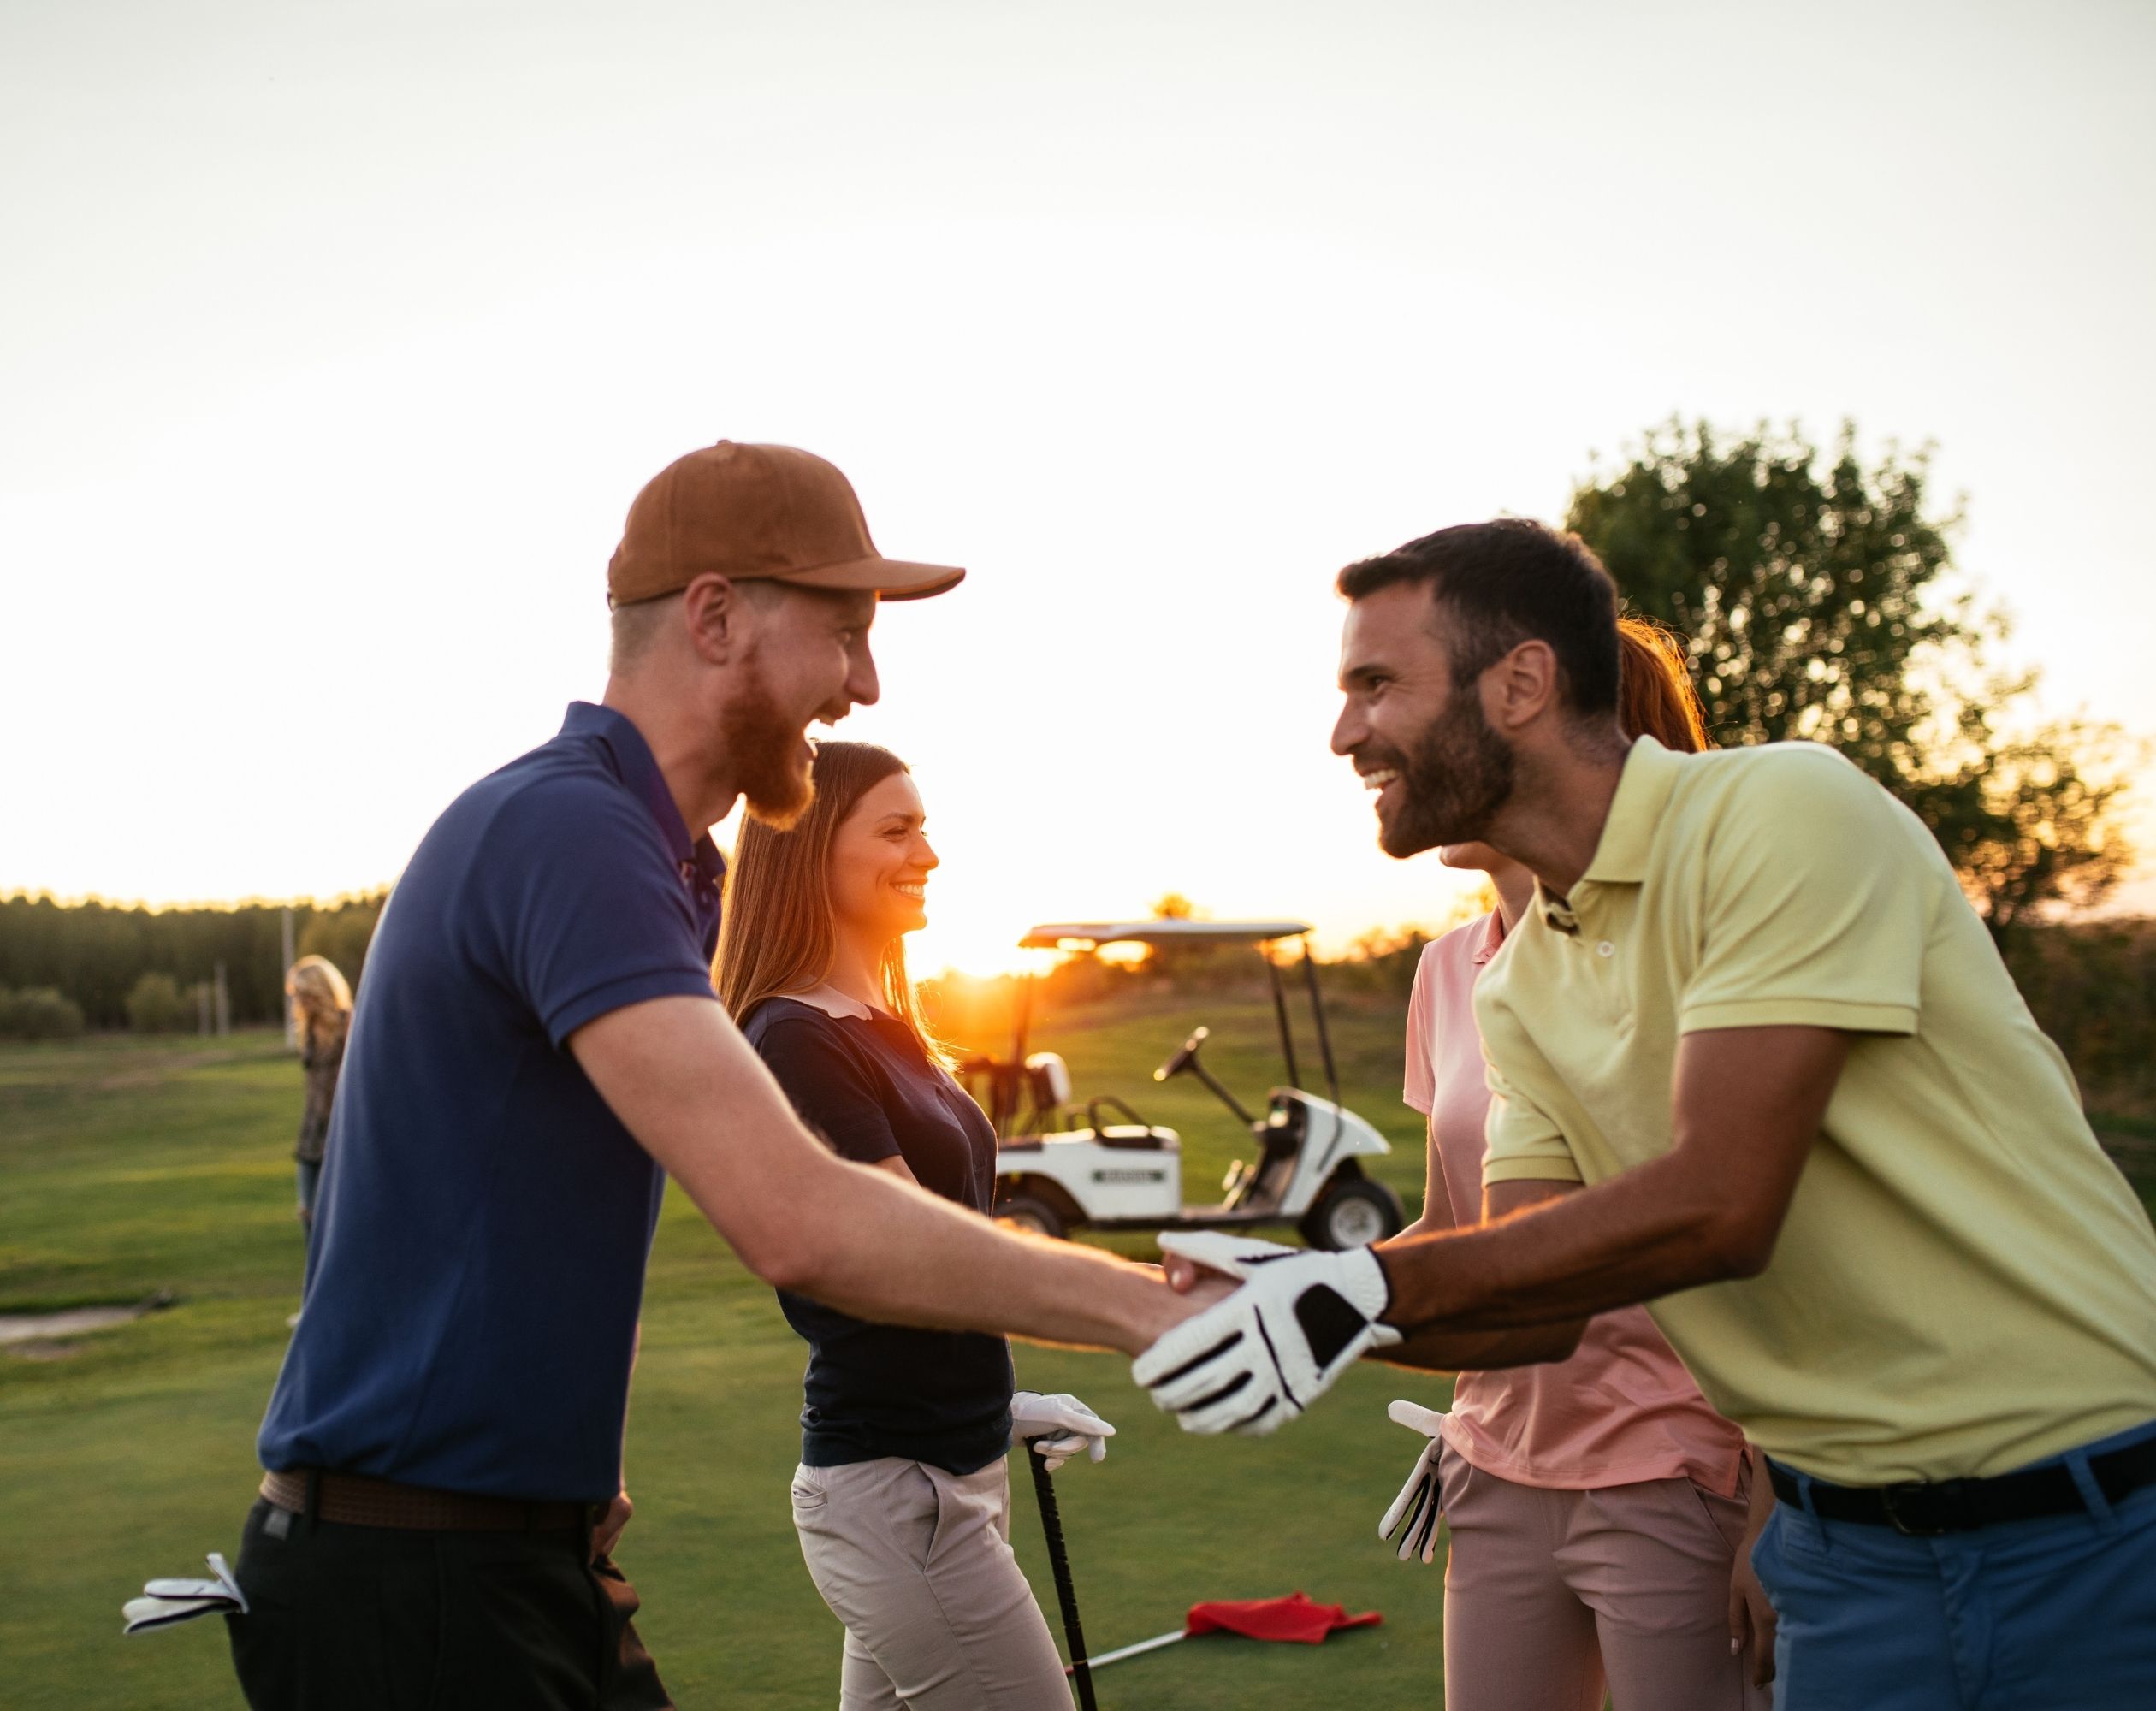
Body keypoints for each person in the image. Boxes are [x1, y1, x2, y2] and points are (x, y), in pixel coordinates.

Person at [229, 441, 1212, 1711]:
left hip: (505, 1553)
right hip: (411, 1586)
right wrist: (1150, 1309)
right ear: (713, 616)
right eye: (843, 633)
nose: (864, 682)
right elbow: (799, 1218)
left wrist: (567, 1472)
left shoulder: (651, 858)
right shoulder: (570, 831)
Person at [1134, 518, 2156, 1709]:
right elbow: (1529, 1302)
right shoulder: (1516, 985)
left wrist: (1359, 1294)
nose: (1344, 732)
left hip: (2092, 1520)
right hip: (1847, 1559)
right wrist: (1291, 1289)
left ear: (1520, 682)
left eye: (1376, 685)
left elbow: (1722, 1205)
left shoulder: (1780, 809)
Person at [1389, 618, 1769, 1711]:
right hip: (1495, 1461)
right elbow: (1453, 1229)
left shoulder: (1694, 958)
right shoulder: (1446, 972)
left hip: (1672, 1466)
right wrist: (1287, 1292)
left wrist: (1773, 1502)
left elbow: (1761, 1243)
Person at [714, 739, 1117, 1711]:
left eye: (925, 828)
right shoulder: (795, 1037)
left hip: (945, 1475)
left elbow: (937, 1271)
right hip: (902, 1498)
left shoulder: (885, 1024)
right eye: (896, 829)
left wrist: (999, 1401)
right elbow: (912, 1260)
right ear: (810, 851)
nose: (927, 853)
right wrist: (1139, 1304)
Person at [282, 954, 352, 1233]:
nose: (299, 1001)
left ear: (320, 992)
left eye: (304, 994)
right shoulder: (308, 1030)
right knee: (308, 1219)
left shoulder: (349, 1025)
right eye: (296, 994)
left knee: (337, 1226)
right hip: (310, 1139)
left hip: (341, 1139)